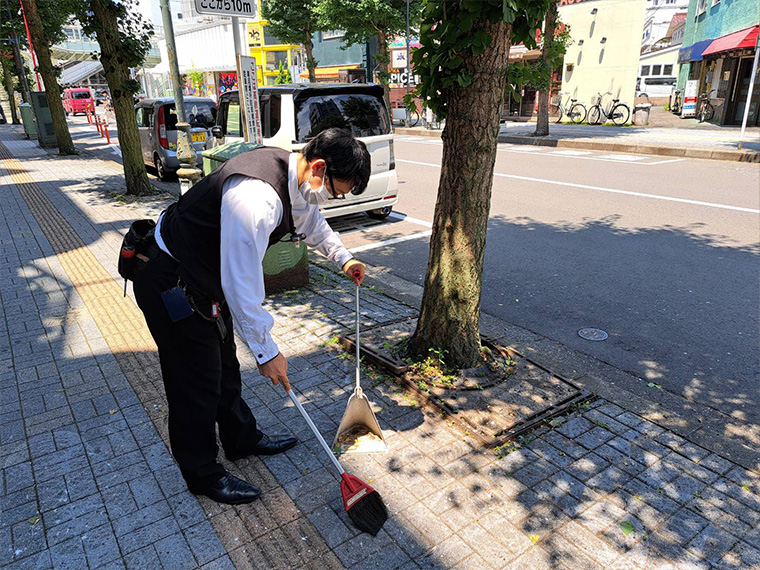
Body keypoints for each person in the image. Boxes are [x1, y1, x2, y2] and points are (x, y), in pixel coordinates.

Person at [132, 128, 370, 505]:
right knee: (194, 381)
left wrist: (344, 258)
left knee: (224, 364)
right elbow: (242, 285)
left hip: (206, 280)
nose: (329, 199)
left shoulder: (297, 178)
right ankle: (202, 474)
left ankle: (241, 439)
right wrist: (267, 352)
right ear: (319, 166)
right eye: (335, 191)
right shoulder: (256, 198)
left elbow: (311, 221)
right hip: (171, 281)